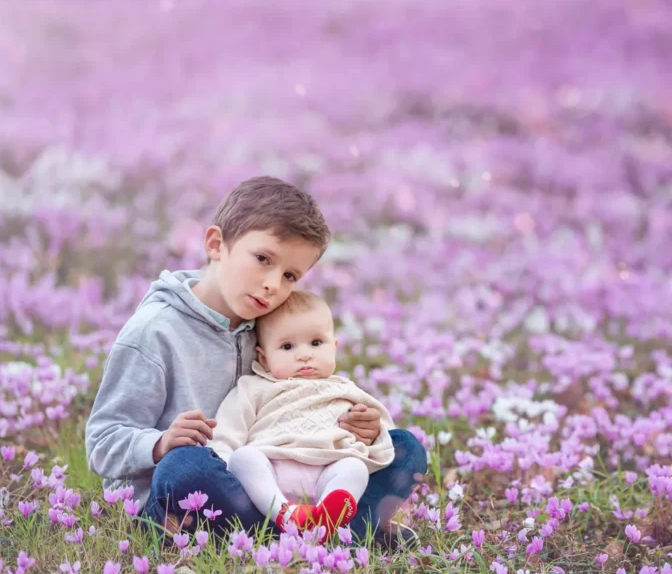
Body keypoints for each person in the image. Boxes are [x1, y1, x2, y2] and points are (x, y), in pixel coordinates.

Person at [84, 176, 426, 549]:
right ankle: (344, 534)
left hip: (276, 482)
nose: (273, 285)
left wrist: (362, 431)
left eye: (290, 276)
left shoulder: (269, 324)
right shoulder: (153, 332)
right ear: (216, 244)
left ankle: (295, 533)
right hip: (191, 495)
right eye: (263, 259)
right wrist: (160, 443)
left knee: (405, 448)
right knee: (185, 466)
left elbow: (299, 402)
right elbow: (102, 440)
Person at [211, 290, 395, 543]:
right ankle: (285, 515)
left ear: (334, 347)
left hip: (326, 475)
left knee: (355, 468)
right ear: (264, 357)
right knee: (244, 458)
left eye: (316, 343)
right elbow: (226, 432)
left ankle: (325, 518)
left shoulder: (345, 389)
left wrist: (372, 432)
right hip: (271, 474)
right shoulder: (254, 388)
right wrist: (223, 468)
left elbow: (386, 435)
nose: (304, 355)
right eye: (287, 346)